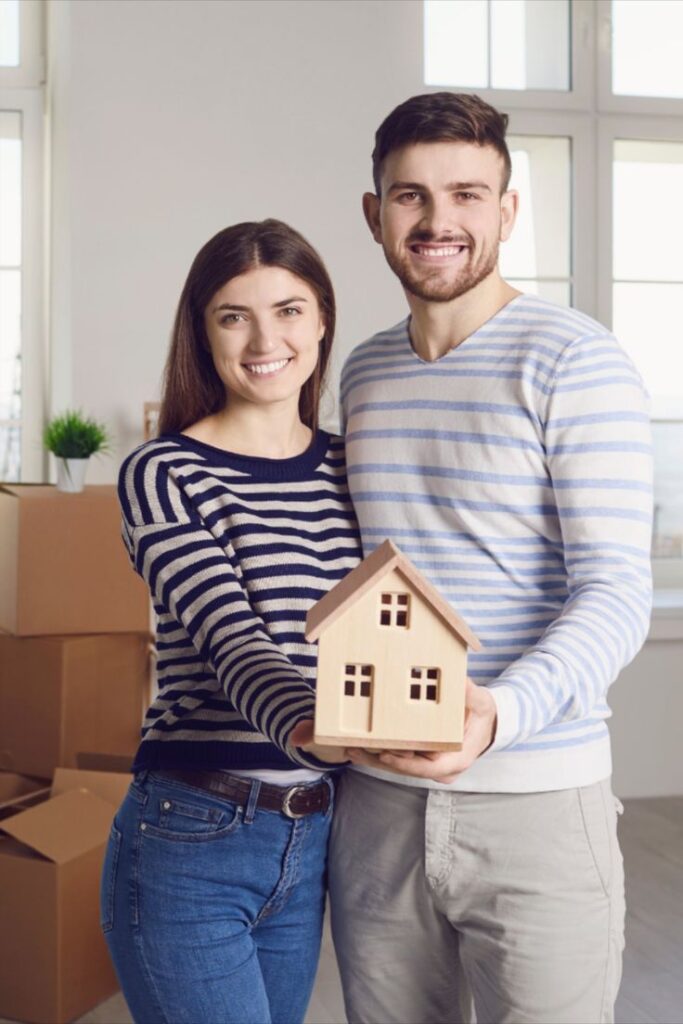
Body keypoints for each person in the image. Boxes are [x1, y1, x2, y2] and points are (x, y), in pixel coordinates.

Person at [328, 92, 653, 1024]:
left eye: (468, 195)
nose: (437, 222)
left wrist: (499, 714)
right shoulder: (363, 371)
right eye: (410, 197)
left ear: (506, 212)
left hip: (537, 799)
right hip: (377, 804)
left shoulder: (573, 360)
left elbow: (615, 589)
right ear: (374, 212)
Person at [100, 219, 360, 1024]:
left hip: (317, 832)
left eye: (288, 310)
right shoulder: (163, 470)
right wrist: (313, 724)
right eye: (232, 315)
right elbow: (228, 637)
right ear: (201, 332)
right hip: (192, 833)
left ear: (321, 319)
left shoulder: (355, 467)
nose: (263, 339)